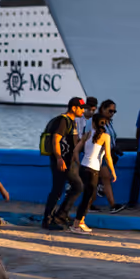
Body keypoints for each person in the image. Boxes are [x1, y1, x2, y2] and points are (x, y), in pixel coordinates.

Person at [42, 97, 86, 231]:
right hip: (61, 161)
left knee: (72, 187)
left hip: (69, 161)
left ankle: (59, 216)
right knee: (60, 189)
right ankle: (50, 220)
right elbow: (56, 140)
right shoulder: (63, 120)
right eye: (81, 107)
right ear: (74, 108)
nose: (83, 110)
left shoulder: (73, 122)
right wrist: (59, 158)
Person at [72, 102, 117, 234]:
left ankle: (80, 221)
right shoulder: (105, 137)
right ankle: (77, 224)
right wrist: (113, 172)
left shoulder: (87, 135)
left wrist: (79, 164)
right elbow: (108, 156)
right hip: (93, 170)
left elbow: (75, 151)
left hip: (84, 167)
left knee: (87, 197)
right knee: (88, 198)